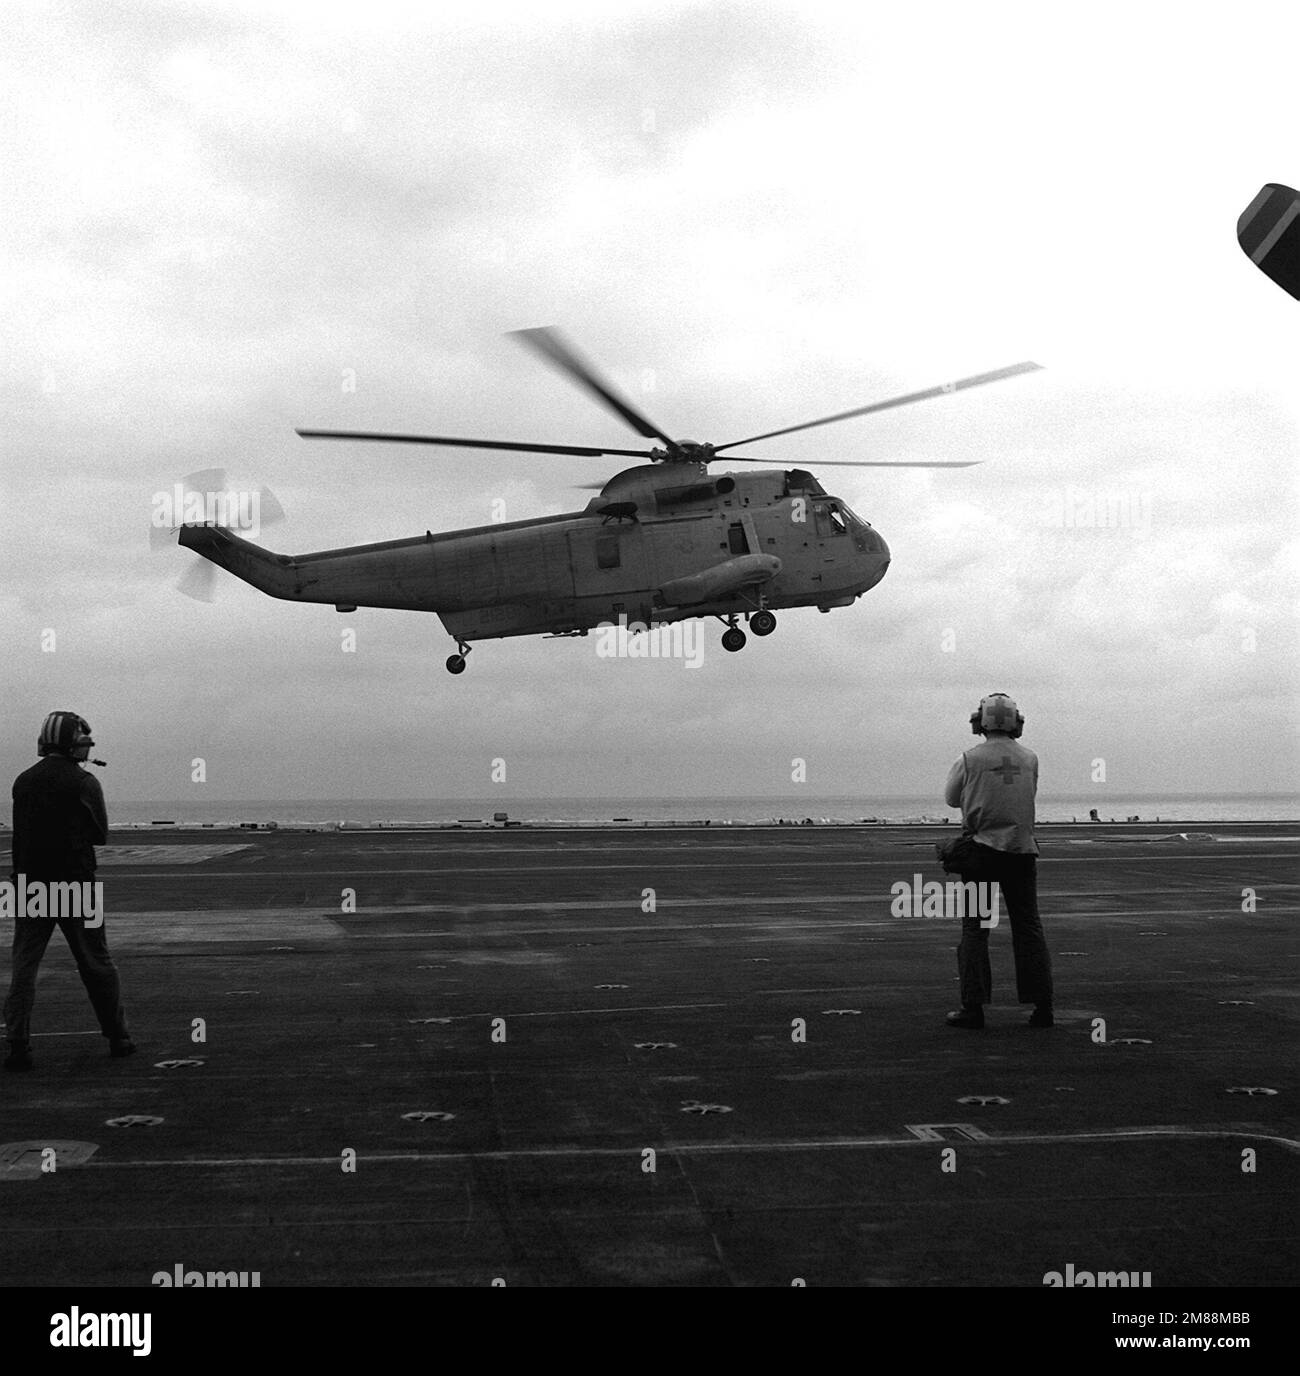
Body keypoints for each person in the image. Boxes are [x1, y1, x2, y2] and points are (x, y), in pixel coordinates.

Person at [4, 712, 134, 1070]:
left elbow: (21, 834)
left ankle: (17, 1044)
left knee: (24, 966)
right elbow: (100, 834)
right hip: (76, 883)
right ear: (71, 742)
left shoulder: (23, 781)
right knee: (96, 962)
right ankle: (118, 1036)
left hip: (29, 885)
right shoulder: (85, 782)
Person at [942, 693, 1053, 1029]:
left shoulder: (969, 758)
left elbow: (950, 799)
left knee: (975, 929)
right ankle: (1043, 1007)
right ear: (1017, 723)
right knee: (1028, 928)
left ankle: (973, 1008)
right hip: (1021, 852)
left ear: (980, 722)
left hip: (981, 855)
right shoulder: (1030, 758)